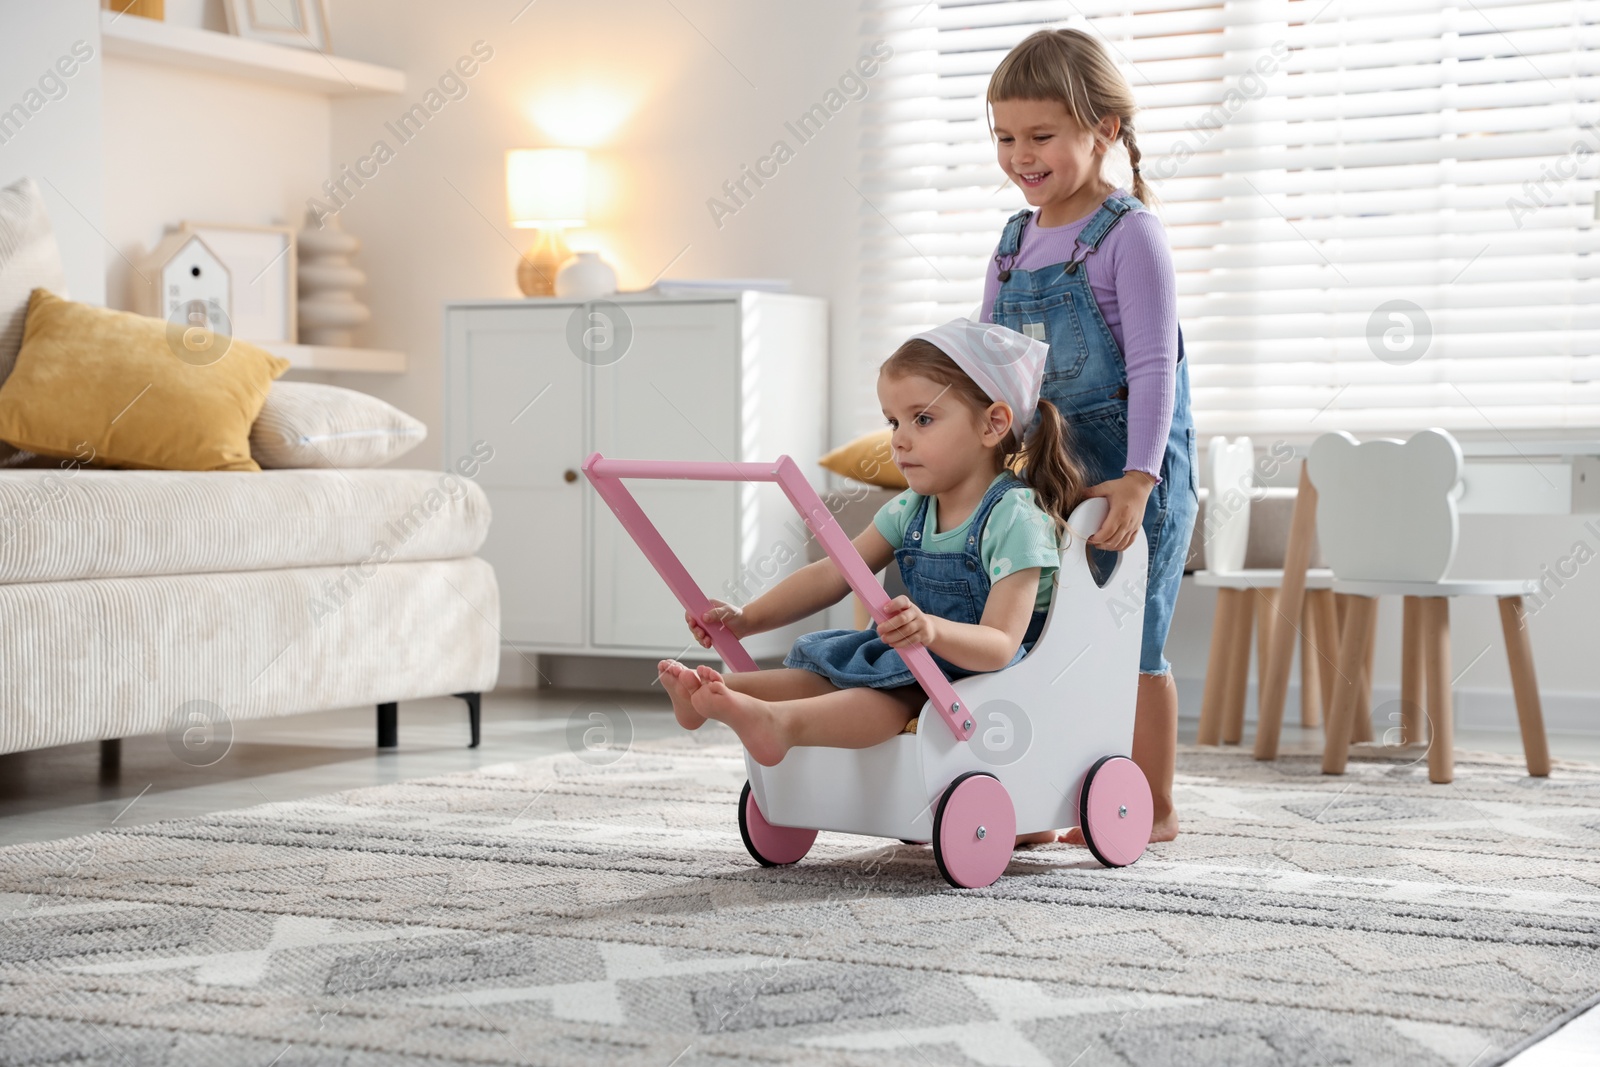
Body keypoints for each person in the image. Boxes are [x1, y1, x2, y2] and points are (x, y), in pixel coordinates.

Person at [657, 318, 1088, 848]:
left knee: (893, 697)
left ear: (993, 424)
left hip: (983, 678)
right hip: (914, 655)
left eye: (922, 419)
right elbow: (833, 573)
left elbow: (1001, 644)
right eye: (892, 422)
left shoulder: (1015, 518)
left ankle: (781, 725)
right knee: (833, 670)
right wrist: (748, 619)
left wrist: (931, 631)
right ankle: (717, 694)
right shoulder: (910, 507)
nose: (899, 440)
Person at [981, 28, 1198, 844]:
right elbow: (994, 368)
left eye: (1041, 136)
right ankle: (1040, 792)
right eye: (1005, 137)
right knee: (1040, 628)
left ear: (1104, 127)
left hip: (1132, 471)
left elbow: (1153, 369)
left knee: (1129, 636)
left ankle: (1155, 802)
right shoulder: (1011, 244)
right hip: (1050, 469)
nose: (1020, 155)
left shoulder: (1130, 234)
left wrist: (1140, 479)